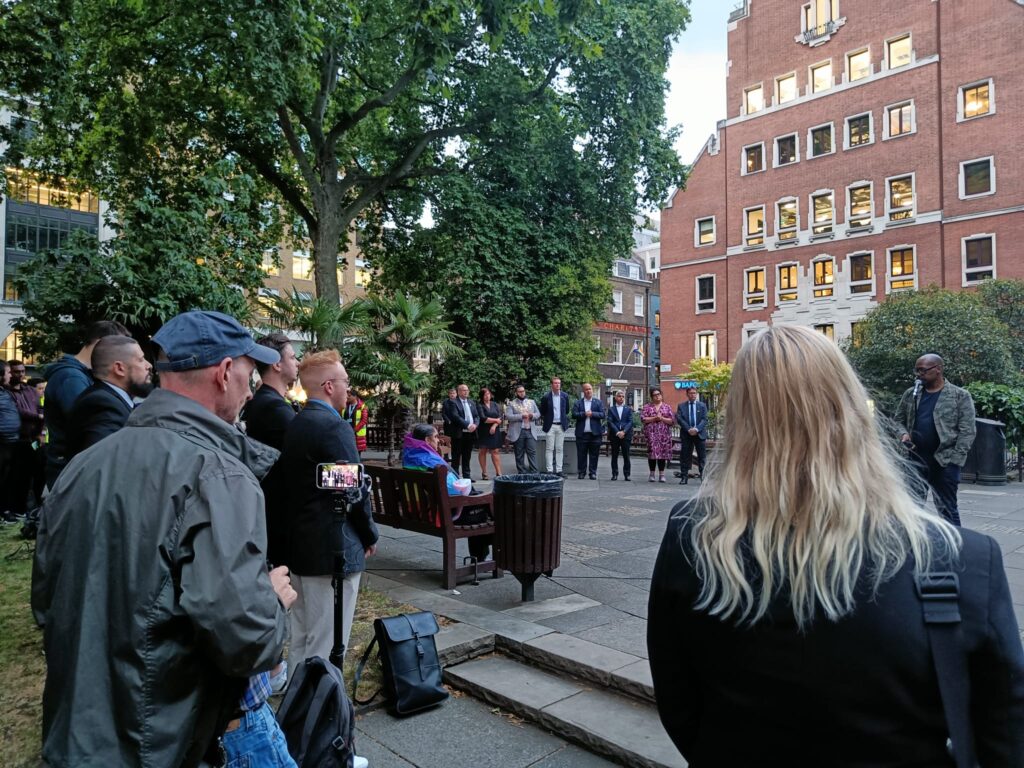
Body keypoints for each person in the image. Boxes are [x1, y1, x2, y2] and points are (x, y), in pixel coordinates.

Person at [647, 325, 1024, 767]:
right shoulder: (964, 561)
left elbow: (678, 701)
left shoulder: (693, 536)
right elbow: (1002, 737)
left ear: (742, 420)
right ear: (851, 411)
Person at [31, 310, 294, 768]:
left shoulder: (84, 465)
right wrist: (270, 603)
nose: (251, 389)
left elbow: (47, 601)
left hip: (77, 732)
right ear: (225, 372)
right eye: (250, 374)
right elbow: (244, 637)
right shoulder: (219, 475)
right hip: (164, 740)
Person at [276, 349, 379, 664]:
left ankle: (298, 710)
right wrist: (370, 533)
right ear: (330, 386)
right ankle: (321, 712)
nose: (349, 389)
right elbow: (352, 489)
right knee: (328, 645)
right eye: (346, 381)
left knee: (303, 640)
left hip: (300, 549)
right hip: (332, 551)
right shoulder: (334, 428)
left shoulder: (296, 424)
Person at [42, 319, 131, 487]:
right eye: (118, 347)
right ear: (99, 343)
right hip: (68, 471)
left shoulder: (81, 375)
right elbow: (89, 424)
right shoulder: (71, 377)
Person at [898, 354, 977, 527]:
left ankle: (956, 549)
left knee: (947, 510)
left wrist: (955, 461)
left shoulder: (959, 396)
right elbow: (898, 421)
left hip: (944, 462)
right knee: (912, 510)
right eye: (917, 370)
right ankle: (913, 548)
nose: (918, 374)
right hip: (916, 461)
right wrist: (903, 434)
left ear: (938, 369)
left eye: (923, 370)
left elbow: (967, 431)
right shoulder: (911, 394)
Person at [403, 423, 492, 562]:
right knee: (486, 510)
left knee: (482, 507)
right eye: (436, 437)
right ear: (427, 440)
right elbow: (454, 490)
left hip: (418, 510)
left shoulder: (410, 457)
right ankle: (480, 557)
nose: (438, 440)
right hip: (441, 513)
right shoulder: (432, 462)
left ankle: (480, 556)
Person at [66, 336, 154, 458]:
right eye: (141, 359)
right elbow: (104, 465)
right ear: (119, 368)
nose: (148, 365)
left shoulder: (107, 399)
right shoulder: (102, 405)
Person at [241, 331, 299, 451]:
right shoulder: (277, 408)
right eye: (293, 358)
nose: (298, 363)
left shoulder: (258, 401)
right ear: (277, 364)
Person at [6, 359, 43, 517]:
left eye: (22, 371)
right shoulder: (6, 393)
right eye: (16, 371)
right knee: (16, 476)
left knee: (35, 473)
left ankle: (33, 508)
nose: (21, 374)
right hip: (17, 441)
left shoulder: (30, 391)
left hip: (33, 439)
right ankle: (16, 509)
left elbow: (41, 407)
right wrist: (38, 416)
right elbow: (18, 411)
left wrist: (41, 432)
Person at [442, 383, 479, 480]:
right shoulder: (453, 402)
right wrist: (467, 425)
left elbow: (476, 416)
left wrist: (475, 424)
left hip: (470, 433)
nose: (466, 391)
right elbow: (455, 416)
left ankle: (467, 477)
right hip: (459, 433)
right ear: (458, 392)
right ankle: (456, 477)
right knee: (456, 456)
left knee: (467, 456)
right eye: (463, 390)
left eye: (467, 390)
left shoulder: (471, 402)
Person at [0, 362, 21, 524]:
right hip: (3, 442)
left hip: (11, 441)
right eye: (8, 372)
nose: (10, 375)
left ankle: (5, 510)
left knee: (7, 478)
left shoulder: (3, 391)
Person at [640, 388, 674, 483]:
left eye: (658, 394)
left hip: (663, 435)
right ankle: (652, 474)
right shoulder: (647, 407)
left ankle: (662, 474)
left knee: (662, 454)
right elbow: (643, 419)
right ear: (652, 397)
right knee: (652, 454)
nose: (657, 396)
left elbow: (672, 421)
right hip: (651, 435)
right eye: (655, 395)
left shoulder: (667, 407)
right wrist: (655, 418)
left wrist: (662, 418)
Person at [675, 386, 708, 485]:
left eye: (694, 393)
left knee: (702, 456)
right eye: (691, 393)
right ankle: (684, 476)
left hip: (699, 434)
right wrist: (688, 429)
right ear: (687, 394)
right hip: (686, 434)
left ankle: (703, 476)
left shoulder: (702, 405)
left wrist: (697, 429)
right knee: (685, 456)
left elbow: (704, 419)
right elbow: (680, 419)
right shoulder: (681, 406)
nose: (693, 395)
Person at [572, 382, 604, 480]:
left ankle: (592, 472)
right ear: (583, 391)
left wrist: (592, 414)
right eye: (586, 389)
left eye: (590, 389)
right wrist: (584, 414)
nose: (589, 391)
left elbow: (603, 414)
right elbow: (574, 415)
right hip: (582, 434)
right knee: (581, 454)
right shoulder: (578, 403)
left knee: (594, 455)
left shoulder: (598, 402)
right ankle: (581, 472)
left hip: (595, 434)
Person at [506, 384, 541, 473]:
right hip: (518, 431)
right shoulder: (512, 403)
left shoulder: (531, 402)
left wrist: (532, 415)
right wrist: (521, 416)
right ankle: (522, 473)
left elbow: (538, 414)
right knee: (519, 453)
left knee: (532, 452)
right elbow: (509, 416)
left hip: (530, 430)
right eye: (520, 391)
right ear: (516, 393)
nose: (522, 393)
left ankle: (534, 473)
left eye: (523, 391)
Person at [539, 377, 570, 476]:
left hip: (561, 426)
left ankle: (559, 470)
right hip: (550, 426)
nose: (557, 385)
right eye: (555, 383)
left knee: (560, 448)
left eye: (559, 383)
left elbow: (567, 410)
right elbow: (542, 411)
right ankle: (549, 470)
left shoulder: (565, 396)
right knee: (549, 448)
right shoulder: (546, 397)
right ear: (551, 385)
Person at [476, 386, 503, 480]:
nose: (487, 396)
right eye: (484, 394)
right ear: (482, 396)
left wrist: (494, 425)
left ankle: (499, 473)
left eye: (488, 394)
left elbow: (500, 417)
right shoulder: (479, 405)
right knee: (483, 451)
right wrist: (496, 420)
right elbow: (483, 418)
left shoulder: (495, 404)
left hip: (494, 430)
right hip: (483, 431)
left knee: (495, 451)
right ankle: (484, 472)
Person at [606, 390, 633, 481]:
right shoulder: (611, 409)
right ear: (615, 397)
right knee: (614, 455)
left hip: (626, 435)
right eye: (619, 396)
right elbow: (610, 422)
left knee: (626, 455)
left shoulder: (628, 409)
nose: (621, 398)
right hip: (615, 435)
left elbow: (630, 422)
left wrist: (624, 432)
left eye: (622, 396)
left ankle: (627, 474)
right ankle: (614, 474)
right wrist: (617, 432)